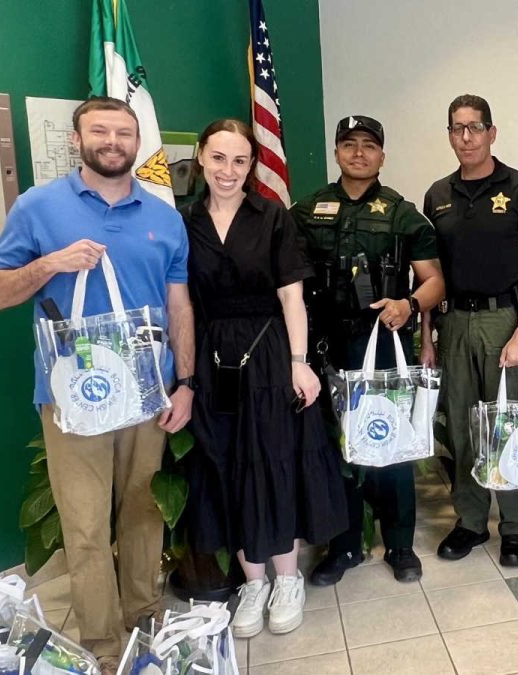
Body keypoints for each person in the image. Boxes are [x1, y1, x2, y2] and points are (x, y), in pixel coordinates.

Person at [0, 97, 194, 673]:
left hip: (149, 394)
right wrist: (47, 266)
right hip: (71, 397)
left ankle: (145, 617)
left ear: (137, 142)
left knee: (143, 510)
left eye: (123, 132)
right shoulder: (38, 207)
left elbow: (178, 305)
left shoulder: (164, 216)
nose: (112, 140)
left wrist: (186, 382)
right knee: (83, 523)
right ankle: (105, 646)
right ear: (78, 138)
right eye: (99, 130)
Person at [179, 119, 348, 639]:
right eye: (218, 158)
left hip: (269, 353)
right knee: (228, 463)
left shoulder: (272, 216)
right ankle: (251, 582)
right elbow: (180, 302)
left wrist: (300, 362)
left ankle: (286, 578)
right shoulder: (183, 222)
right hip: (211, 358)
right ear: (202, 159)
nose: (228, 170)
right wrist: (185, 377)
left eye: (239, 160)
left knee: (274, 461)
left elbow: (292, 296)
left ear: (251, 166)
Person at [292, 115, 445, 584]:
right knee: (337, 447)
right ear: (337, 151)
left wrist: (410, 304)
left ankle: (399, 545)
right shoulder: (306, 211)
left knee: (391, 442)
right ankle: (344, 547)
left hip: (381, 343)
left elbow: (435, 281)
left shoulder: (402, 214)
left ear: (382, 155)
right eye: (349, 144)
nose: (359, 153)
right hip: (324, 346)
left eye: (368, 146)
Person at [423, 94, 518, 567]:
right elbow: (430, 275)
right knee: (460, 427)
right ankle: (472, 521)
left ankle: (514, 528)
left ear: (492, 132)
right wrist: (427, 336)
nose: (466, 137)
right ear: (450, 135)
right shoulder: (437, 195)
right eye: (457, 128)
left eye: (475, 127)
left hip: (503, 321)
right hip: (454, 322)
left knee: (507, 425)